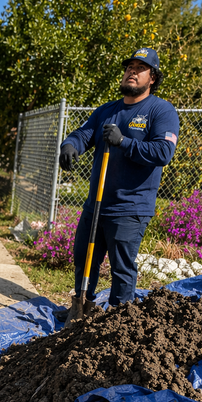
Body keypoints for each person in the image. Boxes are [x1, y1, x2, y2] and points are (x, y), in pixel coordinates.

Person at [58, 48, 179, 322]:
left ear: (153, 78)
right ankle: (80, 307)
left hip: (130, 207)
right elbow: (83, 134)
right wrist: (70, 145)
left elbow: (163, 153)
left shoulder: (160, 110)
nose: (132, 71)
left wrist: (124, 142)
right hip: (96, 205)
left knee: (122, 269)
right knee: (83, 258)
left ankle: (117, 321)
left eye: (141, 68)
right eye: (130, 67)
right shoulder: (108, 110)